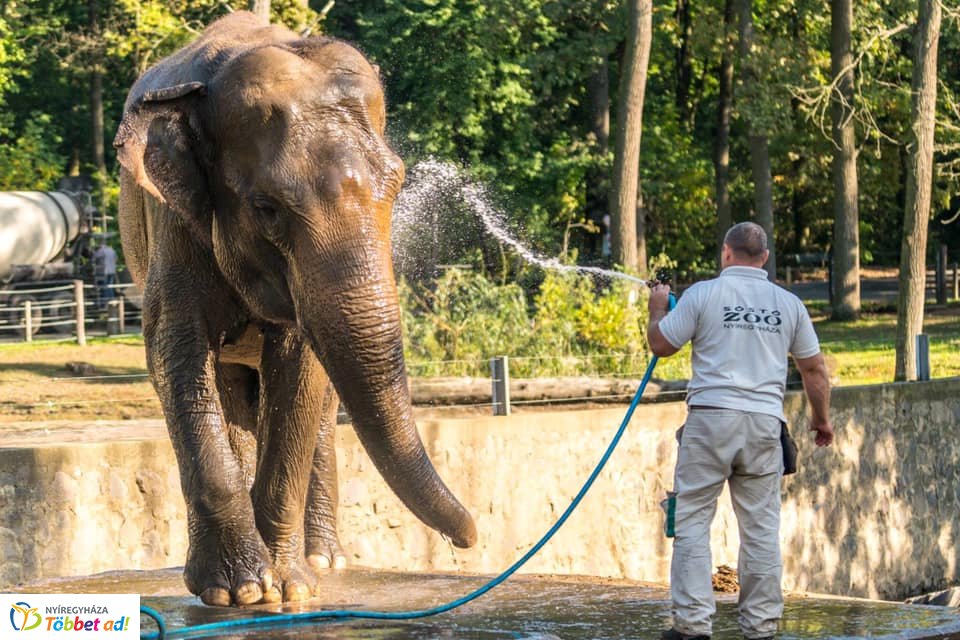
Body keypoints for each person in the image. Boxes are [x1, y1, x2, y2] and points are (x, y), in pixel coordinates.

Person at [647, 222, 833, 640]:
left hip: (710, 420)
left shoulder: (703, 294)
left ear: (726, 253)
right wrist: (821, 419)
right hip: (764, 424)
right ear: (764, 258)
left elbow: (661, 344)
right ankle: (762, 629)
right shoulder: (789, 304)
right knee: (761, 530)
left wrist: (658, 308)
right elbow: (814, 369)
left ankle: (692, 628)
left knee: (693, 521)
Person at [93, 240, 118, 304]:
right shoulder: (112, 250)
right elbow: (116, 259)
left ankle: (105, 302)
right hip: (112, 271)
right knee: (110, 285)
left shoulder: (101, 251)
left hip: (104, 271)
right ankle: (112, 299)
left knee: (105, 286)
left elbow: (93, 259)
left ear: (100, 245)